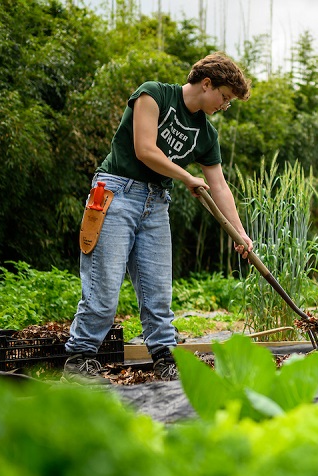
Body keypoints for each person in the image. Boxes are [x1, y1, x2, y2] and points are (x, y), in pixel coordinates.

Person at [65, 52, 253, 380]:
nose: (224, 107)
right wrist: (185, 176)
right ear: (206, 83)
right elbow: (144, 149)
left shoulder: (207, 135)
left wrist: (240, 232)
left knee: (158, 292)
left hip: (156, 203)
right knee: (104, 288)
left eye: (229, 103)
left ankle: (165, 359)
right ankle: (79, 358)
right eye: (224, 98)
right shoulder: (154, 94)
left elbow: (219, 185)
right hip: (115, 194)